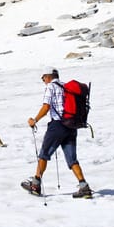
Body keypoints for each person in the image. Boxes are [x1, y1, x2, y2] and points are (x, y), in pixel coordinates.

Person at [22, 67, 93, 199]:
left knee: (44, 154)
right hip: (71, 126)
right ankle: (84, 186)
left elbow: (46, 106)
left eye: (43, 77)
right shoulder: (66, 86)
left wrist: (35, 120)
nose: (43, 80)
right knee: (72, 159)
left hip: (57, 126)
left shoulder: (51, 87)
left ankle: (35, 185)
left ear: (48, 77)